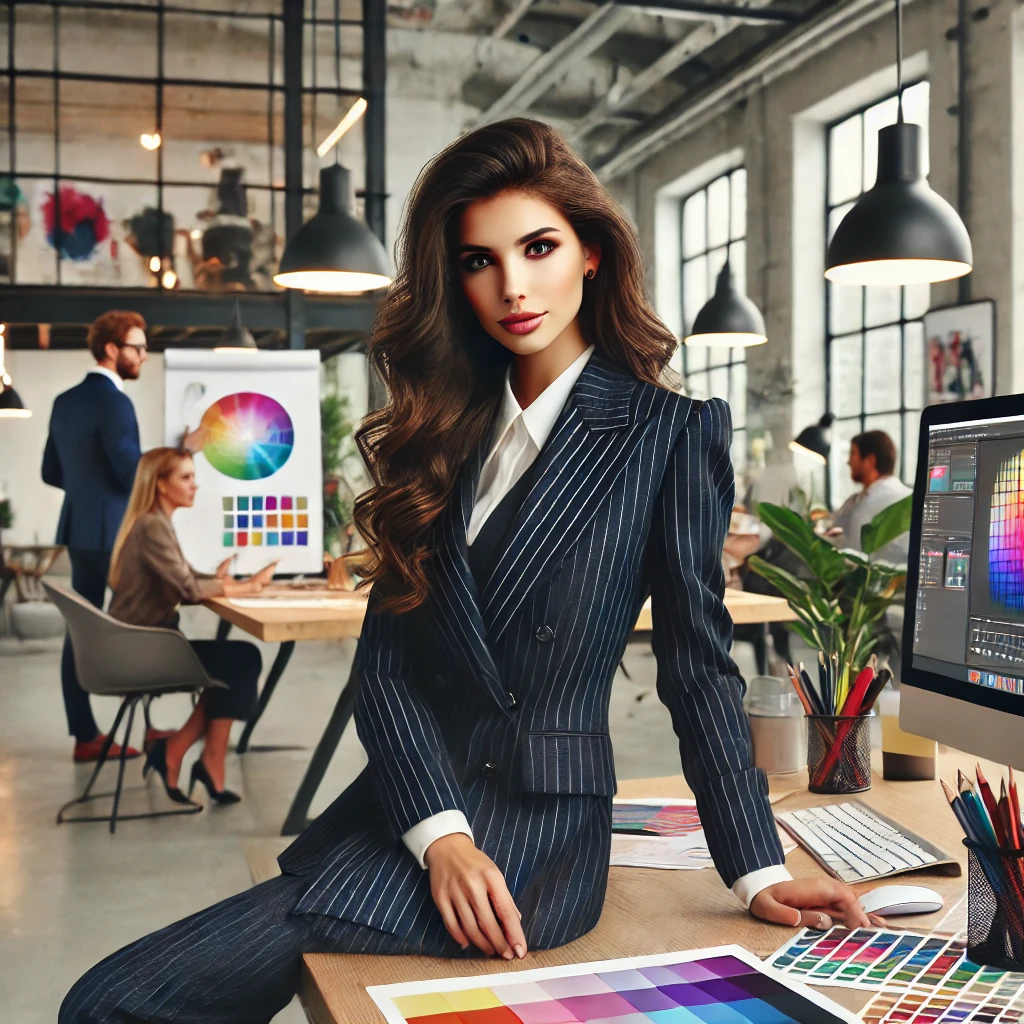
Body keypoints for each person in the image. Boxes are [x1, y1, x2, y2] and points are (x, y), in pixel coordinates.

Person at [61, 118, 871, 1024]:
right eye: (480, 260)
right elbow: (387, 672)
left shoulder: (669, 434)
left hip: (536, 839)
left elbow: (697, 667)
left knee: (111, 1007)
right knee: (111, 1003)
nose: (512, 286)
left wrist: (757, 867)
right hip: (410, 810)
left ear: (593, 252)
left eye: (538, 247)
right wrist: (439, 834)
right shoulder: (439, 434)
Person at [106, 447, 276, 805]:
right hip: (143, 652)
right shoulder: (152, 525)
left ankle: (188, 754)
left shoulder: (155, 523)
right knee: (242, 661)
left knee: (237, 662)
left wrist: (217, 578)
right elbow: (187, 589)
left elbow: (182, 577)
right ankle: (188, 753)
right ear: (161, 484)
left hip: (143, 646)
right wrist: (249, 586)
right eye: (185, 477)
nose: (195, 485)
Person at [42, 310, 149, 763]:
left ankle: (85, 735)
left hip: (78, 530)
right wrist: (184, 452)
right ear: (112, 349)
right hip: (115, 534)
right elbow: (131, 473)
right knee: (147, 623)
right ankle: (152, 728)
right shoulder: (115, 401)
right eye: (137, 348)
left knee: (80, 632)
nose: (144, 355)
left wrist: (88, 495)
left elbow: (51, 472)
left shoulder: (64, 400)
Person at [829, 430, 912, 563]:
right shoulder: (907, 496)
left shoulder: (868, 504)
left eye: (853, 454)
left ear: (870, 461)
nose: (848, 462)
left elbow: (851, 556)